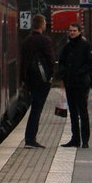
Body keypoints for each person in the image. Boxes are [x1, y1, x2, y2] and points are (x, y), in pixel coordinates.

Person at [57, 23, 92, 148]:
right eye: (70, 31)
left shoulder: (85, 46)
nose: (72, 33)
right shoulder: (67, 47)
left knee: (83, 111)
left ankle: (85, 140)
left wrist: (79, 72)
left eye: (74, 30)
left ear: (80, 31)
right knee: (73, 112)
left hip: (81, 83)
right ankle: (75, 138)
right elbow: (61, 62)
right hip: (70, 83)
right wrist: (64, 73)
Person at [19, 13, 55, 148]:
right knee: (37, 109)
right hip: (42, 80)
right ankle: (30, 138)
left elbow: (23, 62)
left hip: (29, 80)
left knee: (33, 108)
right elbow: (51, 60)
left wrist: (22, 80)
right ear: (42, 25)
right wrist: (51, 76)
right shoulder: (45, 41)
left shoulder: (26, 41)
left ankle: (30, 137)